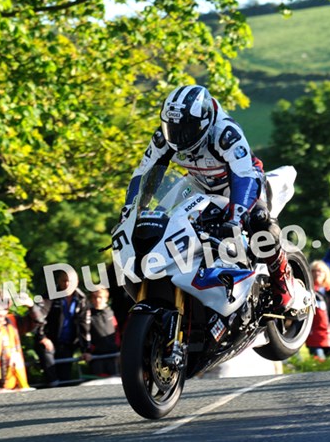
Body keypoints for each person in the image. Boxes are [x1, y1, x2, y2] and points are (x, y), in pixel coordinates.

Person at [119, 84, 293, 311]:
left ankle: (282, 279)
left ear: (204, 122)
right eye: (172, 128)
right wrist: (130, 210)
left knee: (260, 220)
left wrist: (235, 218)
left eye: (185, 130)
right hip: (197, 183)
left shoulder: (225, 132)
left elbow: (243, 176)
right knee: (158, 220)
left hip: (239, 183)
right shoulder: (166, 135)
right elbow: (145, 172)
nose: (177, 137)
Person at [34, 270, 91, 387]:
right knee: (52, 376)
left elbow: (84, 325)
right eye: (63, 281)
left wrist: (85, 349)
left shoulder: (81, 299)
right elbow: (39, 317)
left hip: (68, 343)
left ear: (76, 282)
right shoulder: (49, 295)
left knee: (65, 378)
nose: (66, 284)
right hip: (50, 341)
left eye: (70, 281)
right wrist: (42, 337)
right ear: (58, 281)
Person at [306, 260, 330, 360]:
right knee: (319, 366)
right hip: (315, 337)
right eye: (314, 271)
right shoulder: (307, 291)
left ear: (326, 273)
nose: (317, 273)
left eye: (320, 271)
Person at [83, 288, 120, 377]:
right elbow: (84, 333)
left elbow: (116, 331)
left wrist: (118, 347)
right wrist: (87, 350)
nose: (97, 300)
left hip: (113, 355)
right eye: (94, 297)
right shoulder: (87, 314)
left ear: (106, 298)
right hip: (96, 356)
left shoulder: (110, 313)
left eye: (100, 297)